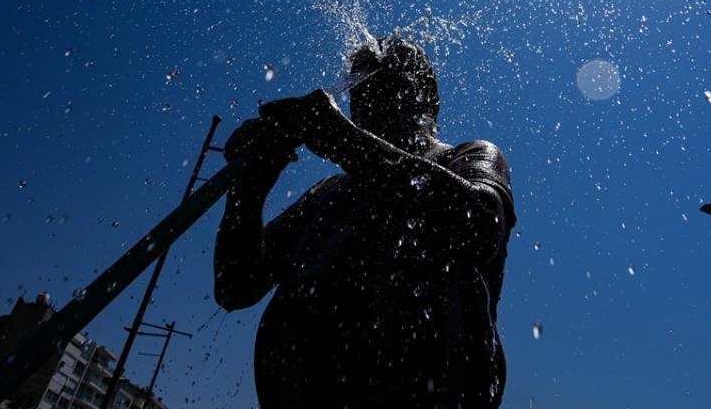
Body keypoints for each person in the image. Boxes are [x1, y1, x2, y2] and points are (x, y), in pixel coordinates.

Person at [214, 36, 516, 408]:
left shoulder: (468, 158)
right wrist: (250, 187)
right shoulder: (327, 193)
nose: (373, 101)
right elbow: (237, 285)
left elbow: (480, 225)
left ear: (428, 102)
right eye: (362, 90)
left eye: (390, 86)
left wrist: (343, 140)